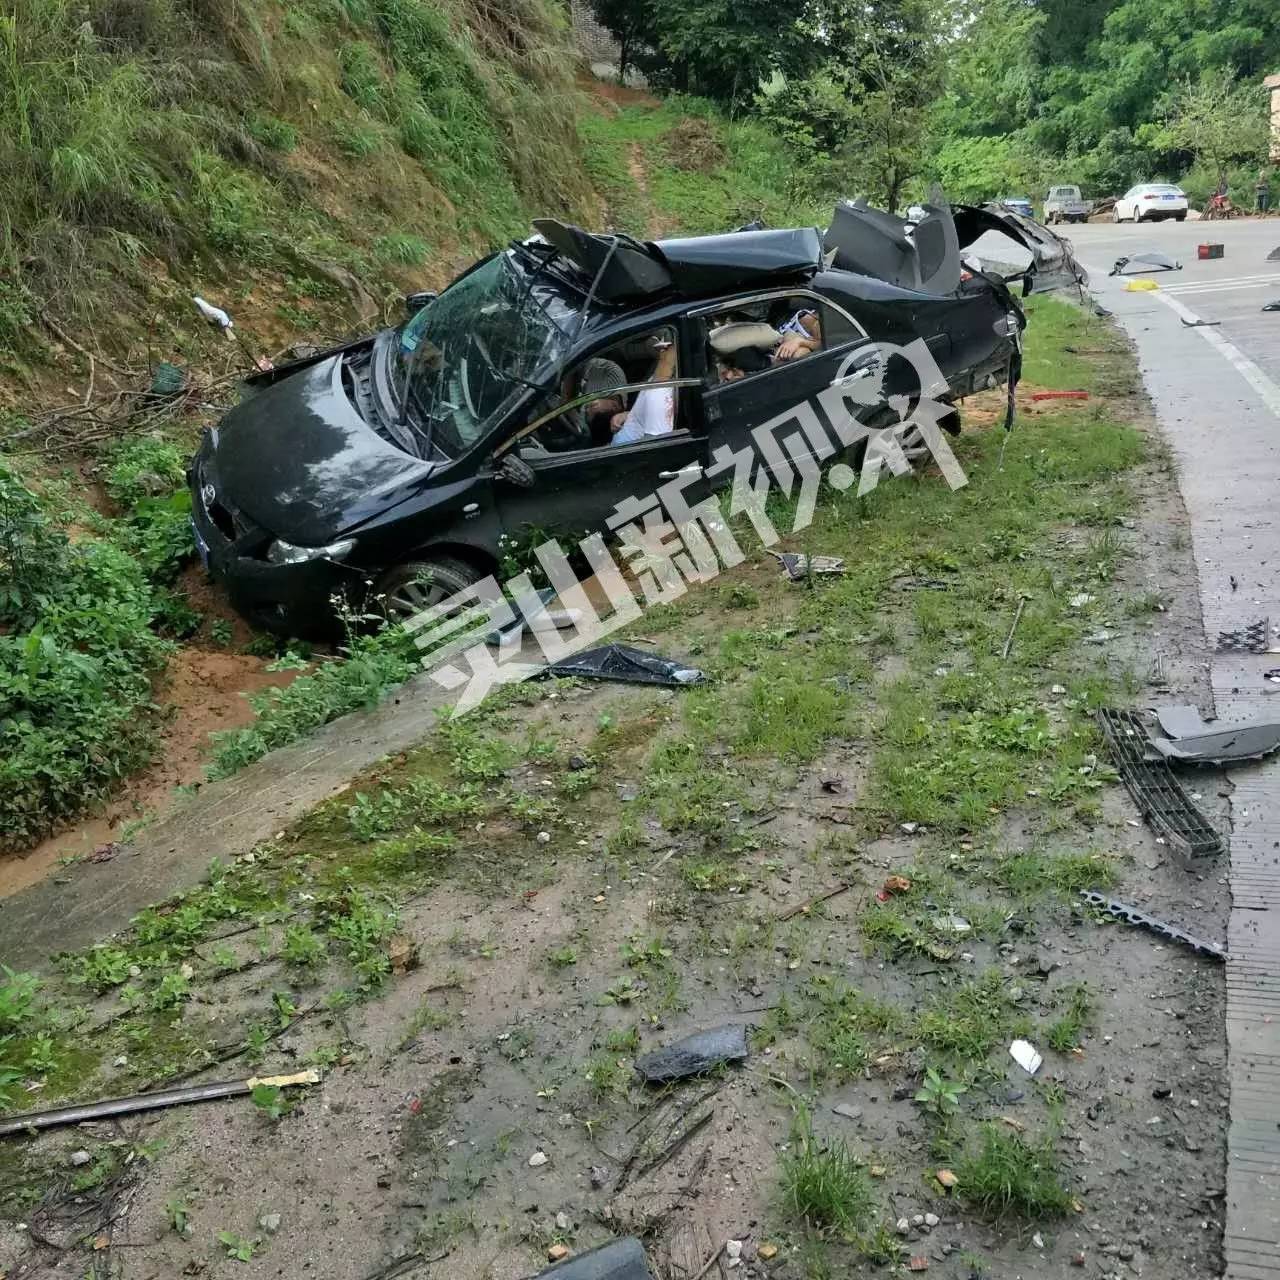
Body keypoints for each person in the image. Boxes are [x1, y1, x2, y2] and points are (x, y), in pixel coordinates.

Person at [585, 340, 679, 446]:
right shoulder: (657, 382)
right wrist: (628, 416)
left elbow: (654, 449)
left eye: (668, 346)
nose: (662, 345)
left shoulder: (658, 398)